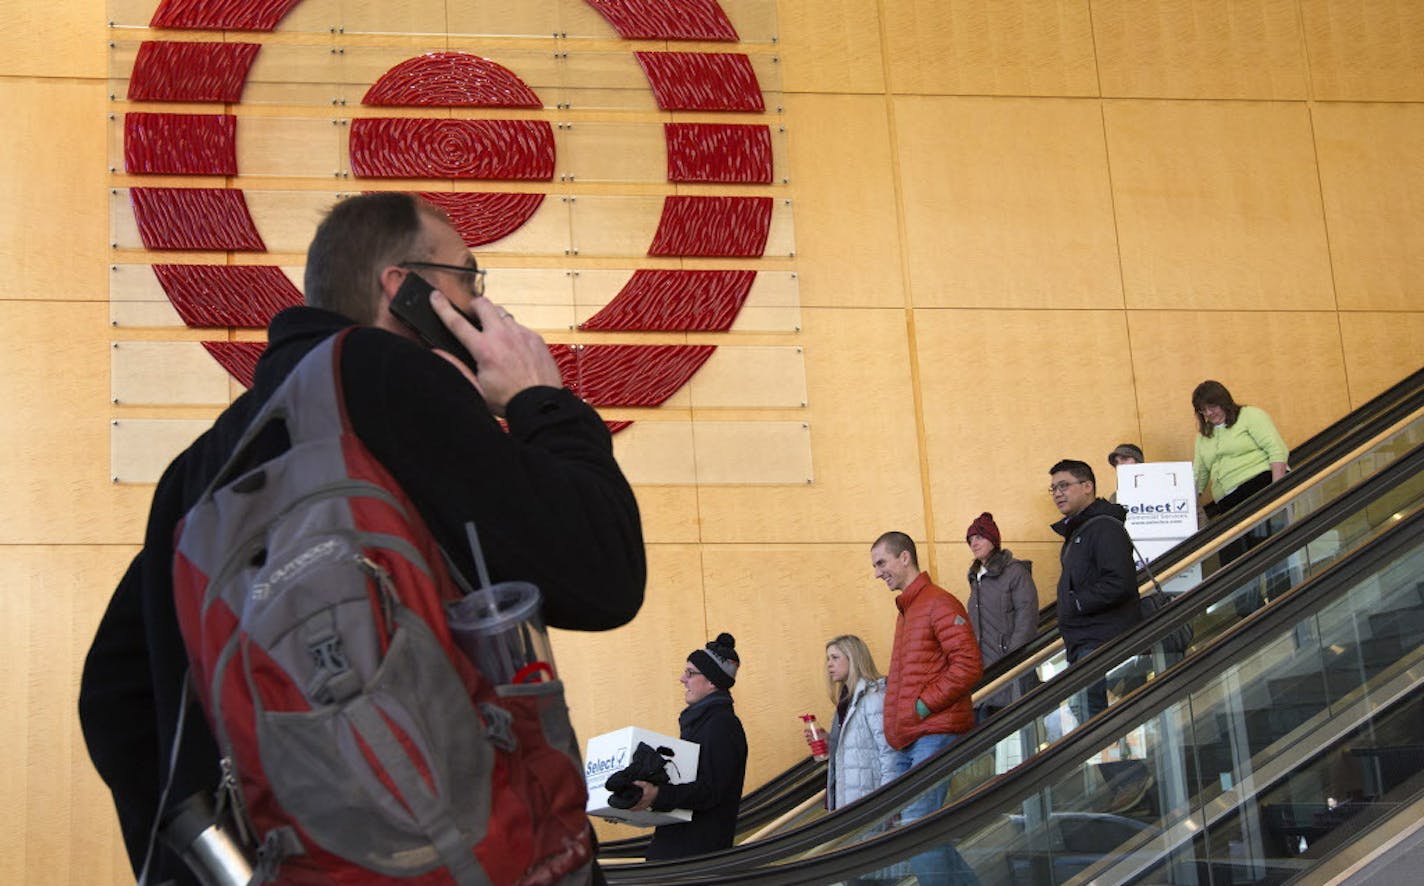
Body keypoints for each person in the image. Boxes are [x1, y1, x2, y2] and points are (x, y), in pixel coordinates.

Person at [77, 192, 647, 885]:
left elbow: (114, 696)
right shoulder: (388, 376)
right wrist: (540, 400)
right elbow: (603, 575)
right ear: (402, 289)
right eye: (469, 279)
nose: (482, 306)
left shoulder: (196, 471)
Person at [871, 531, 983, 884]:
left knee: (918, 829)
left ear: (905, 558)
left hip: (934, 729)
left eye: (881, 563)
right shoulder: (909, 610)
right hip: (912, 735)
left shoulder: (937, 602)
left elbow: (968, 665)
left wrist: (921, 708)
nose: (877, 573)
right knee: (918, 831)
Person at [633, 633, 749, 860]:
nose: (682, 679)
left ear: (712, 681)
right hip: (680, 851)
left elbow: (708, 791)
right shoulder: (703, 722)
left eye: (690, 673)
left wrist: (657, 795)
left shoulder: (722, 725)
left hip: (695, 860)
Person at [1048, 459, 1141, 723]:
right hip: (1084, 643)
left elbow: (1120, 582)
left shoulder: (1104, 527)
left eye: (1064, 485)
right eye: (1053, 488)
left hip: (1102, 643)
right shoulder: (1078, 532)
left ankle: (1126, 766)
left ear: (1087, 486)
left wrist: (1076, 604)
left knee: (1097, 726)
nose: (1057, 493)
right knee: (1089, 719)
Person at [1192, 380, 1290, 565]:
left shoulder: (1250, 415)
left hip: (1257, 490)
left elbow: (1277, 450)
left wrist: (1277, 493)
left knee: (1270, 556)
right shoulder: (1202, 437)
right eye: (1203, 410)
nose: (1209, 413)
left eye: (1212, 406)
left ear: (1224, 401)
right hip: (1226, 504)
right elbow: (1199, 476)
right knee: (1235, 563)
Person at [963, 513, 1039, 722]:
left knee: (1015, 729)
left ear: (993, 540)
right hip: (983, 673)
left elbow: (1027, 619)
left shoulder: (1015, 573)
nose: (974, 543)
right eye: (970, 540)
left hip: (1008, 669)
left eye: (979, 537)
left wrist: (1011, 659)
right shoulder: (976, 578)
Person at [823, 635, 898, 810]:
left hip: (872, 802)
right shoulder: (846, 702)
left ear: (853, 658)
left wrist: (889, 799)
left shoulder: (874, 697)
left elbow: (889, 753)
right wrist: (829, 741)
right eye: (828, 659)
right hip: (853, 801)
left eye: (835, 658)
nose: (829, 664)